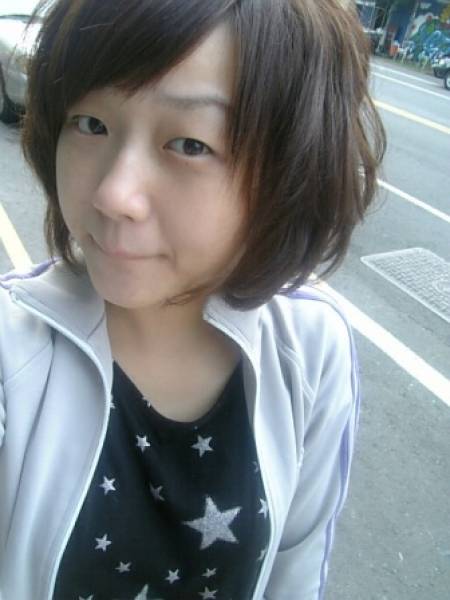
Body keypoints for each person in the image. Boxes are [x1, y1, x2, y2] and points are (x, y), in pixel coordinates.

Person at [0, 0, 386, 599]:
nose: (114, 195)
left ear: (287, 170)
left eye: (189, 143)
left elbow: (295, 573)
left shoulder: (310, 347)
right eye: (91, 124)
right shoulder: (13, 354)